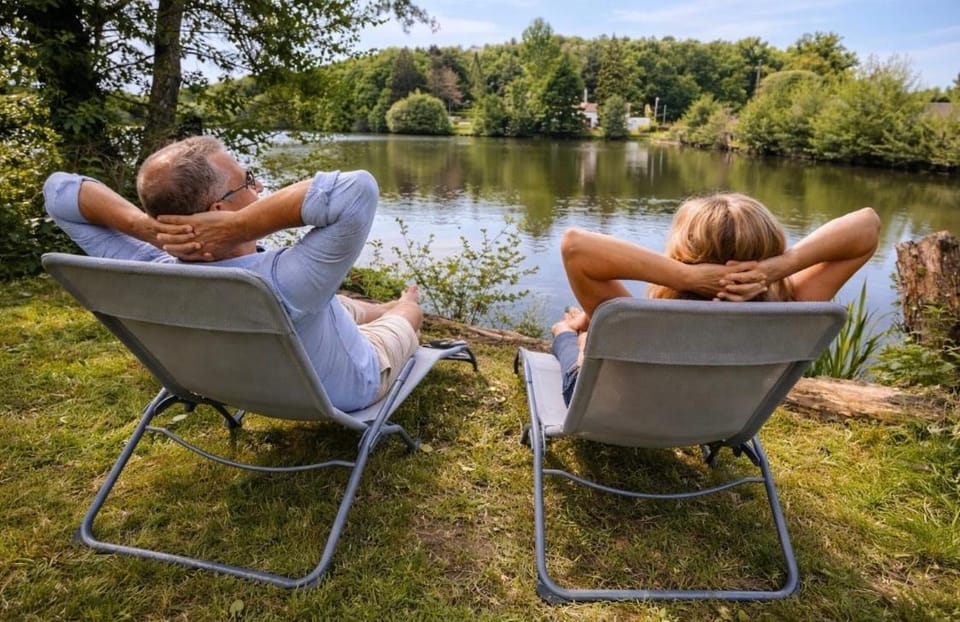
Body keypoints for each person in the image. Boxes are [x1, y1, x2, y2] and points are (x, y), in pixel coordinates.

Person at [44, 135, 422, 412]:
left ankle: (380, 307)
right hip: (344, 388)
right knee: (407, 314)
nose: (259, 187)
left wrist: (147, 228)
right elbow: (357, 190)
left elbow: (58, 191)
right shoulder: (282, 281)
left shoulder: (145, 268)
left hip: (228, 377)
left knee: (332, 304)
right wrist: (240, 228)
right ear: (219, 210)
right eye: (248, 181)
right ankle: (401, 304)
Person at [551, 192, 881, 405]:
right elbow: (867, 227)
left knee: (582, 340)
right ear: (771, 248)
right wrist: (781, 267)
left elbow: (575, 247)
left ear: (683, 251)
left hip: (622, 413)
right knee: (596, 328)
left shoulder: (641, 320)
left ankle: (568, 332)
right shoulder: (789, 308)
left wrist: (685, 277)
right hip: (716, 422)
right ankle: (584, 325)